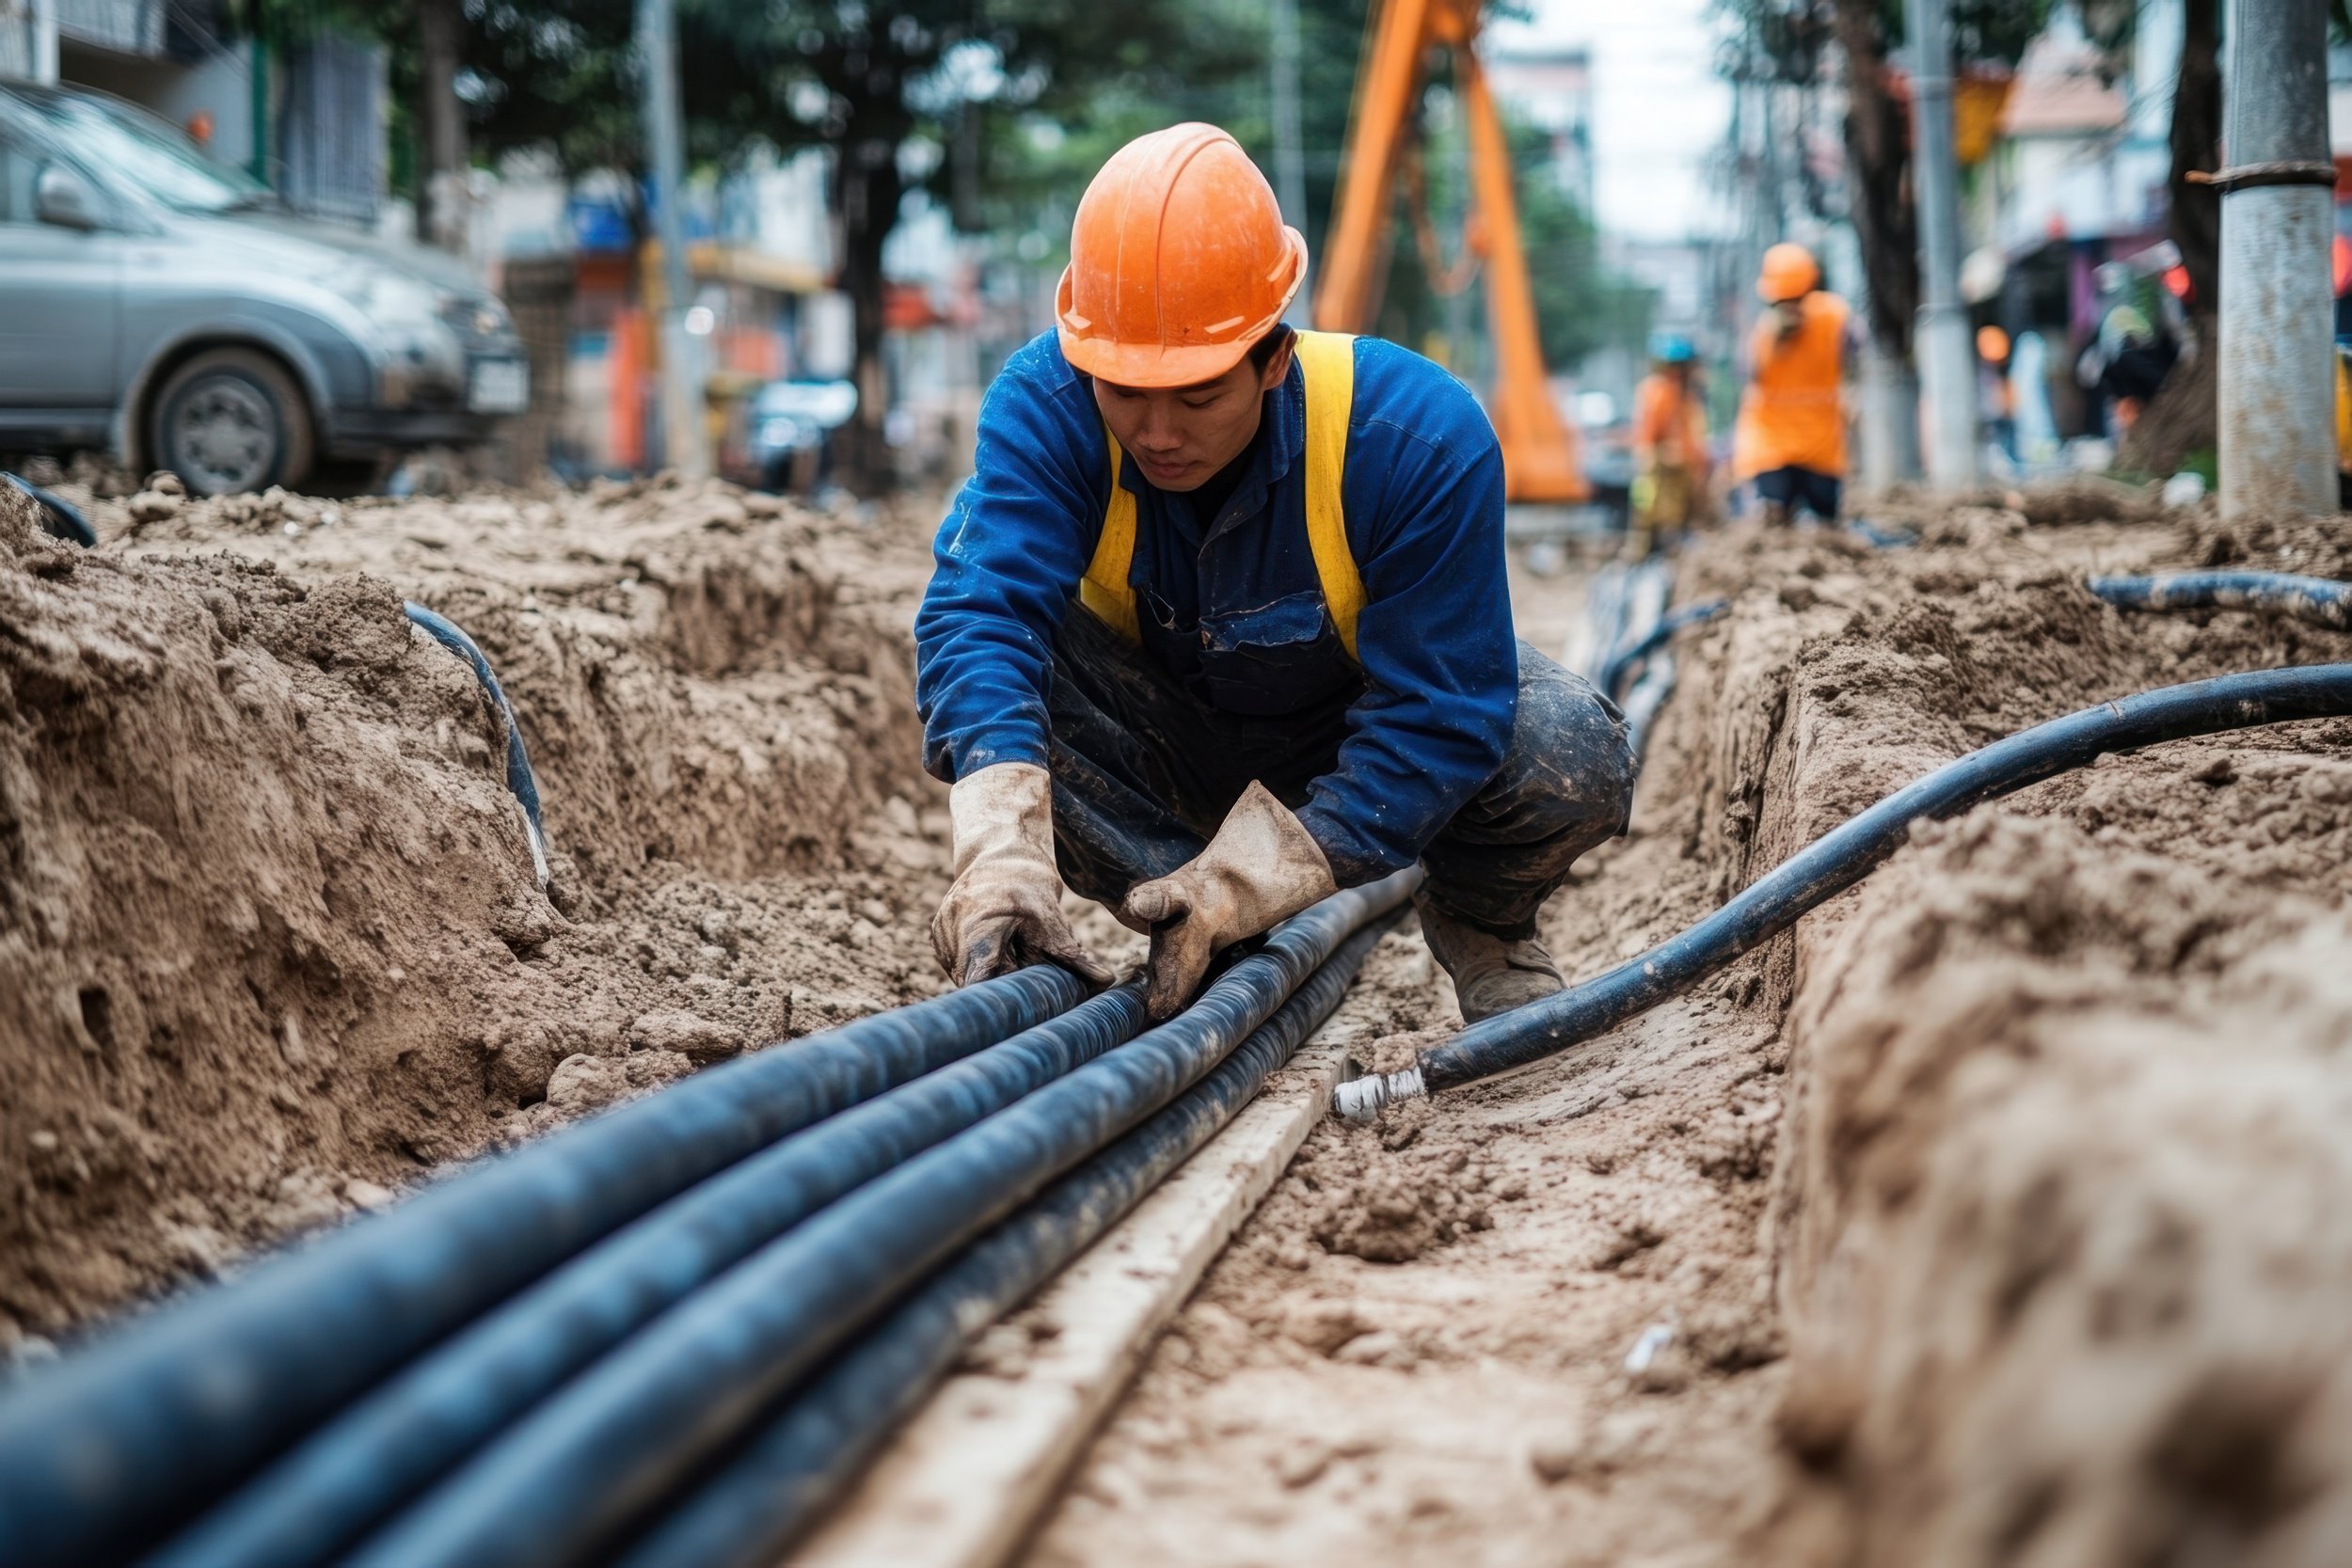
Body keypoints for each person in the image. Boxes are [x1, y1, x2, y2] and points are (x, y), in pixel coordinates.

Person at [914, 123, 1636, 1023]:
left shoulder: (1412, 439)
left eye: (1199, 393)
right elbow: (981, 614)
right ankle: (1181, 906)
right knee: (998, 662)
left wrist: (1252, 880)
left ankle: (1480, 919)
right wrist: (1000, 851)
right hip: (1158, 766)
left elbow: (1442, 711)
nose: (1158, 432)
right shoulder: (1046, 404)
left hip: (1339, 757)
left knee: (1566, 751)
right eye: (1125, 389)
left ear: (1274, 358)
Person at [1731, 244, 1851, 526]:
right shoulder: (1762, 333)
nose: (1791, 308)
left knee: (1825, 522)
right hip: (1774, 445)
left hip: (1819, 444)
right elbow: (1746, 373)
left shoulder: (1834, 317)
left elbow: (1856, 353)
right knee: (1774, 521)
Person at [1626, 334, 1708, 558]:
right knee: (1650, 509)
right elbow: (1650, 434)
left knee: (1682, 512)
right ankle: (1644, 549)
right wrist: (1657, 456)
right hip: (1660, 463)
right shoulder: (1657, 391)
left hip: (1683, 465)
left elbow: (1692, 434)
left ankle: (1673, 546)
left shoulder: (1687, 394)